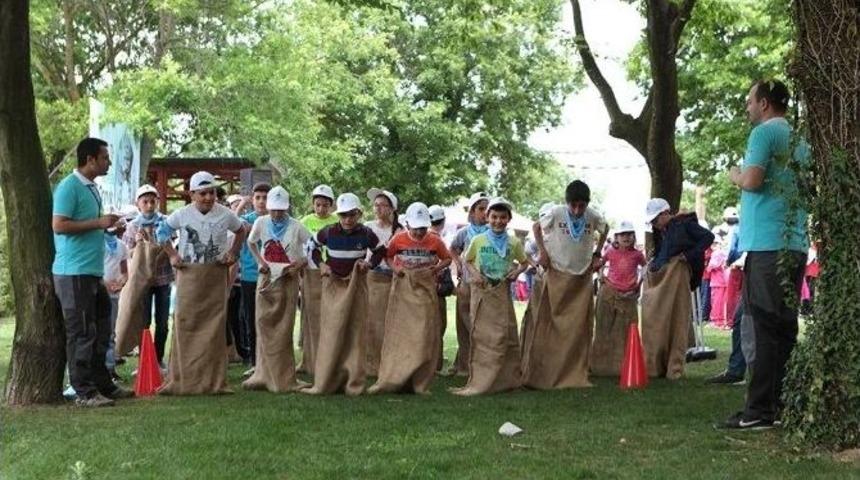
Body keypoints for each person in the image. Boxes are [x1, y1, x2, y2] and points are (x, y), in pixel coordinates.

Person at [719, 79, 809, 430]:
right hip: (794, 243)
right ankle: (782, 404)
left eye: (750, 101)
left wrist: (735, 175)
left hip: (767, 246)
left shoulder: (763, 134)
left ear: (765, 104)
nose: (747, 107)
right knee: (785, 326)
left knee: (762, 326)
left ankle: (758, 412)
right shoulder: (800, 138)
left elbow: (754, 180)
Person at [52, 137, 133, 407]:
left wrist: (106, 226)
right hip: (72, 272)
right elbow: (59, 225)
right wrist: (98, 222)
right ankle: (83, 392)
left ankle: (103, 384)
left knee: (100, 330)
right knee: (82, 332)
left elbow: (87, 225)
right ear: (90, 160)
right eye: (105, 158)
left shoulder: (93, 189)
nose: (109, 162)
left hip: (92, 271)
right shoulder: (68, 187)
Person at [156, 171, 246, 395]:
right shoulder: (182, 215)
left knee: (214, 327)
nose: (208, 197)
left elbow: (241, 230)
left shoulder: (225, 214)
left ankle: (213, 380)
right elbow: (162, 231)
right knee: (186, 324)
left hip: (215, 275)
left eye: (212, 192)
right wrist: (172, 255)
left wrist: (233, 252)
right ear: (192, 194)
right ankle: (183, 378)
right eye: (203, 193)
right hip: (189, 275)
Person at [522, 180, 607, 389]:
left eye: (582, 206)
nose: (577, 210)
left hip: (581, 277)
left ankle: (574, 371)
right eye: (573, 205)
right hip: (557, 272)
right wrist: (543, 252)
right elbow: (536, 226)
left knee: (577, 327)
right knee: (550, 322)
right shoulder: (557, 212)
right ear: (567, 202)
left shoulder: (592, 215)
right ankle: (544, 369)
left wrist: (597, 253)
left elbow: (605, 228)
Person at [302, 193, 385, 395]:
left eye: (351, 215)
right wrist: (321, 264)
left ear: (358, 213)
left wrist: (369, 263)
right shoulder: (328, 232)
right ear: (338, 215)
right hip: (333, 285)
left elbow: (381, 250)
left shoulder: (366, 233)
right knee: (332, 330)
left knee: (355, 332)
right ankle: (327, 379)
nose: (347, 220)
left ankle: (353, 382)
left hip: (356, 286)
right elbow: (311, 247)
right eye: (343, 215)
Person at [368, 203, 452, 394]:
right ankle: (396, 375)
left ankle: (420, 380)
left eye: (423, 228)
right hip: (403, 287)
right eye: (416, 228)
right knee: (400, 331)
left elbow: (447, 258)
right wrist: (396, 269)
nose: (420, 232)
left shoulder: (435, 241)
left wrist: (436, 269)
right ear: (407, 225)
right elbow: (388, 257)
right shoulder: (398, 239)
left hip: (425, 289)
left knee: (423, 332)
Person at [451, 197, 529, 396]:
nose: (498, 221)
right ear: (488, 217)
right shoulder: (478, 240)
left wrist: (517, 272)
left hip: (502, 293)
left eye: (503, 217)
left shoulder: (513, 242)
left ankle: (506, 378)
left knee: (505, 333)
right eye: (494, 216)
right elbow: (467, 260)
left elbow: (524, 262)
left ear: (508, 219)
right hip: (482, 292)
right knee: (483, 335)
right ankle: (481, 378)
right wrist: (475, 274)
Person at [242, 186, 311, 392]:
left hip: (287, 280)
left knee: (283, 327)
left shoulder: (297, 226)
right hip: (265, 279)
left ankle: (282, 374)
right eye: (273, 209)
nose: (277, 213)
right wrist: (260, 261)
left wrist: (298, 264)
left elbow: (312, 247)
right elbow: (251, 242)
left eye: (281, 209)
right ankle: (262, 373)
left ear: (287, 207)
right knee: (262, 323)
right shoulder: (261, 222)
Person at [641, 198, 714, 380]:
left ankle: (674, 367)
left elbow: (708, 237)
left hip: (679, 277)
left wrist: (688, 255)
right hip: (664, 279)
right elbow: (662, 254)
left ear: (665, 213)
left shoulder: (684, 224)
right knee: (659, 318)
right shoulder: (661, 232)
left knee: (677, 320)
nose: (654, 224)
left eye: (655, 219)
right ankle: (657, 365)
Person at [120, 185, 174, 367]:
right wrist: (138, 243)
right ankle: (145, 360)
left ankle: (158, 359)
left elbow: (172, 247)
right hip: (143, 280)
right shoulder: (133, 226)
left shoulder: (166, 222)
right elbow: (128, 253)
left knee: (162, 321)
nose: (150, 205)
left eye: (153, 201)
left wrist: (157, 243)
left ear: (157, 202)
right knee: (144, 322)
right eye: (145, 202)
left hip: (163, 278)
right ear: (138, 204)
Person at [590, 221, 646, 376]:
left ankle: (621, 365)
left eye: (629, 234)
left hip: (629, 296)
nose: (626, 237)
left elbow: (645, 268)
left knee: (626, 331)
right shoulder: (610, 251)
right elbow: (600, 264)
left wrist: (638, 284)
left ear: (633, 236)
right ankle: (600, 365)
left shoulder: (637, 254)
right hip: (610, 292)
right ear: (616, 237)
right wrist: (602, 278)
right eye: (623, 234)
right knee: (604, 327)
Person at [447, 191, 490, 376]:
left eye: (487, 209)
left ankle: (483, 364)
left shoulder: (493, 232)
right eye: (481, 209)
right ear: (472, 212)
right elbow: (453, 248)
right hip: (466, 283)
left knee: (482, 324)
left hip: (486, 284)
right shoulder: (464, 232)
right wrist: (457, 263)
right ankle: (464, 364)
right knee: (464, 325)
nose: (485, 213)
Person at [297, 184, 338, 374]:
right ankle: (308, 359)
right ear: (313, 204)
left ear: (331, 205)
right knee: (309, 316)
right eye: (318, 205)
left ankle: (331, 357)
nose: (321, 209)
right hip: (310, 272)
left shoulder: (338, 221)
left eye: (325, 205)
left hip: (332, 272)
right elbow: (300, 248)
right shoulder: (304, 221)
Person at [364, 188, 403, 376]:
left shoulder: (399, 231)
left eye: (383, 205)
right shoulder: (367, 227)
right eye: (376, 205)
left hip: (393, 278)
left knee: (391, 322)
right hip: (371, 278)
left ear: (392, 209)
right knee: (371, 321)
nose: (378, 208)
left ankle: (390, 363)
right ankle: (371, 363)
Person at [235, 183, 271, 369]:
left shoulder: (277, 219)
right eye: (257, 197)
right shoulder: (246, 220)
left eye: (265, 197)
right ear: (252, 199)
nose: (261, 202)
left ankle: (270, 361)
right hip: (249, 276)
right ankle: (256, 363)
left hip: (273, 276)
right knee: (250, 319)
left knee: (270, 319)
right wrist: (242, 204)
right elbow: (230, 223)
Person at [428, 204, 455, 371]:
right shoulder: (437, 239)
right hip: (434, 289)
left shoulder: (424, 236)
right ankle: (434, 362)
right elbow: (445, 261)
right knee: (437, 326)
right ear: (443, 221)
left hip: (422, 287)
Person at [103, 220, 129, 383]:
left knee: (110, 332)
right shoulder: (97, 244)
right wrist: (105, 284)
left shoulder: (122, 246)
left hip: (114, 293)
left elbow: (125, 271)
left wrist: (121, 282)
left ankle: (110, 368)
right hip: (99, 290)